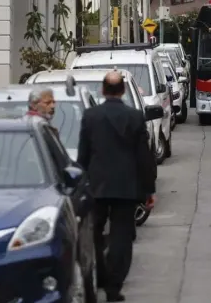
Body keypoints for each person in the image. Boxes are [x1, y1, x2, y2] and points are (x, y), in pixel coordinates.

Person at [77, 71, 157, 302]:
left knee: (94, 233)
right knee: (122, 236)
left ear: (103, 91)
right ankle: (114, 286)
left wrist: (80, 183)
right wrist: (148, 189)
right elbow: (144, 156)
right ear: (122, 91)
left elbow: (83, 154)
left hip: (97, 186)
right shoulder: (134, 117)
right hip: (126, 187)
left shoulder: (91, 116)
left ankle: (100, 274)